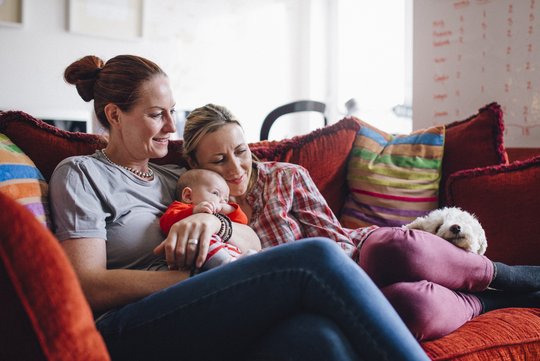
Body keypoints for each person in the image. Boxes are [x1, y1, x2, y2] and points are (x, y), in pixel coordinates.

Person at [49, 54, 431, 361]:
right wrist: (199, 281)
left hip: (198, 307)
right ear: (114, 115)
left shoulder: (176, 178)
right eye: (156, 114)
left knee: (317, 337)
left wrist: (217, 227)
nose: (171, 126)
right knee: (314, 257)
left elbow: (251, 240)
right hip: (126, 327)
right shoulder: (81, 174)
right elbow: (88, 284)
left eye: (172, 111)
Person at [178, 103, 540, 341]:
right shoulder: (200, 210)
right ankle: (494, 301)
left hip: (356, 258)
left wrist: (354, 281)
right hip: (322, 298)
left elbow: (333, 239)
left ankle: (509, 274)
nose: (236, 167)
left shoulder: (285, 177)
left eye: (241, 152)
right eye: (218, 160)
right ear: (195, 164)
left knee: (389, 248)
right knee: (411, 308)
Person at [157, 168, 257, 273]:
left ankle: (242, 260)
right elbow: (165, 223)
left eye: (226, 199)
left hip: (227, 252)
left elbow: (242, 222)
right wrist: (194, 211)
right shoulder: (180, 208)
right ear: (188, 196)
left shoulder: (219, 214)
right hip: (195, 254)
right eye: (216, 193)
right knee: (206, 242)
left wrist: (230, 209)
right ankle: (229, 265)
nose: (222, 201)